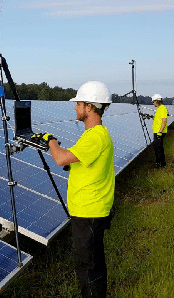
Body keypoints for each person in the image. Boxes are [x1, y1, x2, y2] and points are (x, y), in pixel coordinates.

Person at [31, 81, 114, 297]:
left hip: (89, 213)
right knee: (93, 265)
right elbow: (78, 161)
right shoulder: (94, 135)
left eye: (78, 104)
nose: (75, 108)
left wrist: (50, 140)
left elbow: (60, 158)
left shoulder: (95, 136)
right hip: (90, 210)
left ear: (89, 107)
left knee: (88, 269)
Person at [151, 94, 168, 168]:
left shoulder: (162, 108)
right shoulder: (159, 109)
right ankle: (159, 163)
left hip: (159, 132)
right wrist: (151, 117)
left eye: (153, 102)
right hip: (157, 131)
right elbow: (158, 119)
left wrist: (160, 132)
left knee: (159, 148)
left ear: (157, 101)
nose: (153, 103)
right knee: (157, 147)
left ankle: (161, 164)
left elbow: (164, 121)